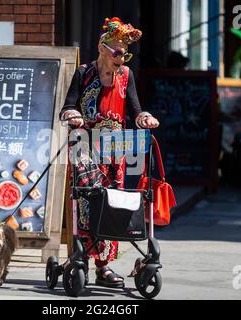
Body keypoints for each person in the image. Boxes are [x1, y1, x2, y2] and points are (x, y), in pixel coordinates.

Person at [59, 17, 159, 288]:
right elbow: (68, 107)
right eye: (117, 52)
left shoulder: (127, 76)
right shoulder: (84, 73)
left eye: (125, 53)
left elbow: (136, 111)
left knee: (114, 204)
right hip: (84, 148)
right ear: (102, 47)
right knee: (89, 201)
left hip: (116, 150)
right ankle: (82, 261)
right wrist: (74, 116)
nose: (122, 58)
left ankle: (104, 266)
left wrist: (145, 118)